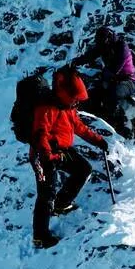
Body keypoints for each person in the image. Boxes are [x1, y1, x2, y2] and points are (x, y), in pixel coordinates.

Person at [30, 67, 109, 248]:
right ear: (65, 93)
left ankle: (61, 204)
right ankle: (40, 236)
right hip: (42, 155)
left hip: (60, 151)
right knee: (46, 193)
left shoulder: (68, 107)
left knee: (83, 169)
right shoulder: (46, 107)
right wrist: (47, 155)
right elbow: (40, 134)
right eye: (74, 99)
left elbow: (78, 127)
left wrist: (98, 141)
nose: (76, 103)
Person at [71, 27, 135, 136]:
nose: (100, 44)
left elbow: (116, 68)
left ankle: (119, 126)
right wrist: (76, 62)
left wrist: (105, 79)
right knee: (91, 95)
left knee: (113, 94)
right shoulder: (104, 46)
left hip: (128, 81)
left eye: (102, 42)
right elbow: (91, 55)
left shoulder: (121, 46)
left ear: (108, 38)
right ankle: (94, 120)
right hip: (111, 79)